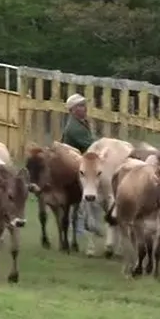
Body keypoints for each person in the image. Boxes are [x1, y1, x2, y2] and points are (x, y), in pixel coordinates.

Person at [61, 93, 99, 240]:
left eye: (84, 105)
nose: (84, 109)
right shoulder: (74, 128)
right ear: (72, 110)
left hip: (78, 163)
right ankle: (80, 229)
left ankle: (82, 228)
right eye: (80, 106)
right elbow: (91, 146)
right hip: (75, 166)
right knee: (81, 199)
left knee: (80, 201)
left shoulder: (80, 123)